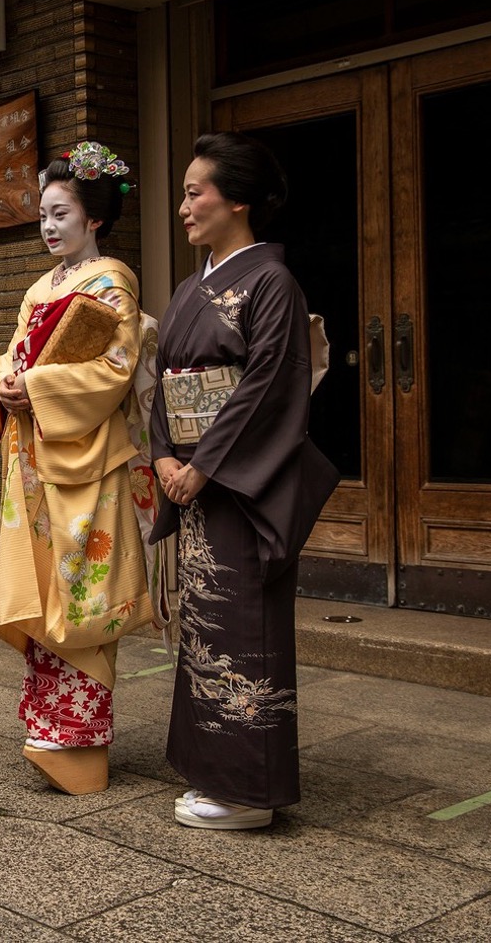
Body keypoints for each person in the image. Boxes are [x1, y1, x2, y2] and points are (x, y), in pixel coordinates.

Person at [150, 131, 339, 830]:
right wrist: (164, 456)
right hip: (195, 481)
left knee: (244, 622)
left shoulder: (271, 283)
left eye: (194, 192)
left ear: (237, 199)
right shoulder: (189, 288)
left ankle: (250, 792)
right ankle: (215, 774)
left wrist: (203, 465)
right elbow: (165, 382)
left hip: (238, 483)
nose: (183, 207)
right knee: (206, 624)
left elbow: (268, 385)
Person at [0, 140, 155, 795]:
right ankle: (48, 728)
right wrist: (5, 382)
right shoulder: (41, 288)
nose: (49, 226)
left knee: (81, 590)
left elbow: (114, 370)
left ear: (95, 218)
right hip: (35, 457)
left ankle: (79, 741)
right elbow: (13, 353)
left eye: (61, 214)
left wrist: (34, 388)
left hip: (86, 459)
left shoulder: (112, 282)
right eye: (43, 215)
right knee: (43, 589)